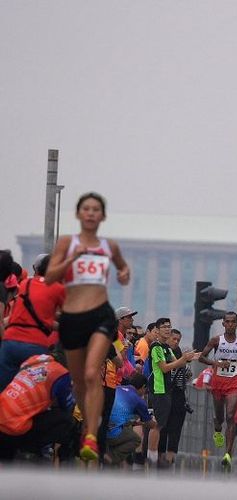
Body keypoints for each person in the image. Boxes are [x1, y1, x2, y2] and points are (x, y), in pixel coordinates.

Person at [45, 192, 131, 462]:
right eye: (86, 209)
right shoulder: (67, 243)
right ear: (79, 214)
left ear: (102, 216)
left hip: (100, 314)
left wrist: (123, 273)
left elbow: (123, 271)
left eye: (96, 209)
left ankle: (91, 436)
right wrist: (73, 259)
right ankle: (88, 427)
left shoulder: (110, 246)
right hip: (72, 317)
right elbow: (49, 278)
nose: (91, 213)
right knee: (80, 380)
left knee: (93, 373)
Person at [0, 254, 65, 391]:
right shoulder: (58, 288)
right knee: (32, 393)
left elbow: (28, 315)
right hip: (34, 346)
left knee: (4, 390)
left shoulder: (25, 284)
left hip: (9, 342)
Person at [0, 353, 76, 462]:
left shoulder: (35, 359)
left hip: (3, 414)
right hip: (14, 428)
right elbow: (66, 405)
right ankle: (30, 452)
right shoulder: (62, 374)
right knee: (66, 419)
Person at [147, 317, 198, 467]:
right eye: (164, 327)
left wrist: (190, 358)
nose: (167, 329)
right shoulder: (156, 347)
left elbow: (177, 363)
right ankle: (152, 455)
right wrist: (183, 359)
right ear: (157, 330)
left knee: (162, 424)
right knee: (157, 424)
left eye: (169, 326)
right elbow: (164, 367)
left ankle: (155, 455)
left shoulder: (167, 348)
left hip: (167, 390)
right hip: (159, 389)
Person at [198, 311, 237, 467]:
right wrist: (216, 363)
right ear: (223, 323)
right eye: (228, 321)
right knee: (220, 419)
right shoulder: (216, 340)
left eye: (233, 322)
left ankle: (228, 454)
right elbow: (201, 357)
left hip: (234, 382)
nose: (230, 324)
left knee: (231, 416)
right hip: (218, 382)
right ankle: (217, 429)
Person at [158, 328, 192, 467]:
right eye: (174, 339)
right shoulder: (161, 352)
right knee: (162, 427)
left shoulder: (180, 354)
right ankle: (159, 456)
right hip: (163, 393)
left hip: (178, 395)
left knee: (176, 428)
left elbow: (187, 376)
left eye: (178, 340)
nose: (176, 342)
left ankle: (170, 457)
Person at [106, 373, 155, 468]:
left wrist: (135, 423)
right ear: (143, 387)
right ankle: (110, 458)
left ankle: (111, 458)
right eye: (146, 390)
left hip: (103, 426)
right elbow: (150, 424)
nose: (144, 393)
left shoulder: (117, 388)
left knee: (126, 428)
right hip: (113, 431)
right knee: (135, 439)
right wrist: (157, 425)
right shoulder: (139, 400)